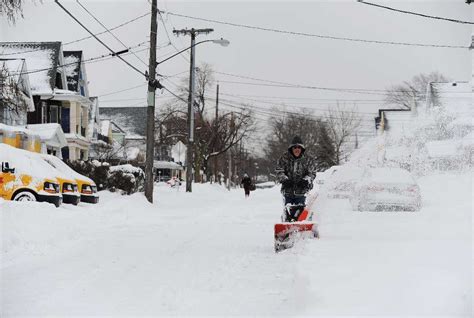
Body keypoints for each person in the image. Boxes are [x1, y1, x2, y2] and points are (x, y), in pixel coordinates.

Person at [275, 136, 316, 220]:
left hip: (302, 191)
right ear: (291, 148)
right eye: (294, 147)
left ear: (302, 149)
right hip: (288, 191)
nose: (297, 149)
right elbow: (279, 171)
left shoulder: (308, 159)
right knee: (288, 212)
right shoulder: (284, 158)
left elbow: (312, 173)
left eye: (299, 147)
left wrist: (306, 180)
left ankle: (302, 228)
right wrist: (285, 179)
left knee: (301, 214)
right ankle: (287, 226)